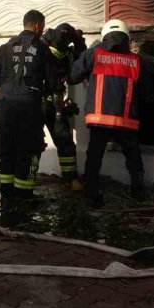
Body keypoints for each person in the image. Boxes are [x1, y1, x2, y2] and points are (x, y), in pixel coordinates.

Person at [71, 19, 154, 207]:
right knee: (133, 154)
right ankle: (138, 190)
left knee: (94, 155)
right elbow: (148, 95)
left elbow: (73, 75)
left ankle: (92, 191)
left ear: (104, 37)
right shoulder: (136, 61)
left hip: (99, 120)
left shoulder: (94, 54)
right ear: (127, 38)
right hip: (126, 121)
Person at [0, 9, 57, 200]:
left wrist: (5, 89)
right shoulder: (43, 48)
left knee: (7, 148)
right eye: (42, 26)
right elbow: (52, 80)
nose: (42, 30)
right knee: (28, 149)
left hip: (6, 105)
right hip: (29, 105)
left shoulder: (5, 47)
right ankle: (24, 193)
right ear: (37, 26)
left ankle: (7, 192)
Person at [40, 23, 87, 192]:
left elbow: (78, 70)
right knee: (34, 143)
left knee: (65, 142)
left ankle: (70, 178)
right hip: (38, 104)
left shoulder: (66, 51)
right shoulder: (41, 49)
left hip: (56, 105)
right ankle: (25, 182)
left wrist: (79, 43)